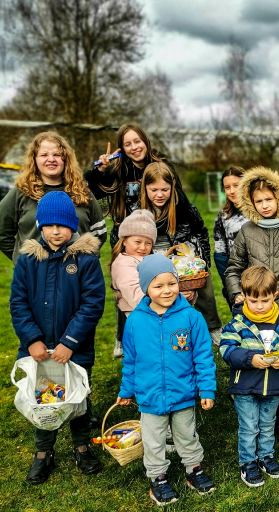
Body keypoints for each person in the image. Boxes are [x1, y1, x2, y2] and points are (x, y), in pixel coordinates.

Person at [9, 191, 106, 484]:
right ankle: (43, 452)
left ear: (71, 226)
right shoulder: (28, 260)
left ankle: (82, 445)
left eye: (62, 226)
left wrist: (69, 343)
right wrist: (32, 340)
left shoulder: (85, 259)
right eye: (49, 225)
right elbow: (19, 303)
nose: (55, 231)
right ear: (40, 225)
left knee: (77, 400)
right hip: (40, 350)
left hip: (73, 350)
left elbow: (92, 304)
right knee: (44, 399)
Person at [85, 123, 197, 355]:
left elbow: (177, 196)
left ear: (145, 141)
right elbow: (90, 189)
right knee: (125, 285)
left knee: (158, 282)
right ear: (121, 148)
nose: (134, 147)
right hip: (127, 236)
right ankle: (122, 336)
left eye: (138, 141)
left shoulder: (160, 164)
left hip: (157, 234)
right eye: (128, 144)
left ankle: (178, 329)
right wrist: (100, 170)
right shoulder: (118, 169)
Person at [116, 254, 217, 505]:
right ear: (146, 288)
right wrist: (127, 390)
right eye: (158, 286)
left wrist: (207, 390)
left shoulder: (191, 317)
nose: (166, 290)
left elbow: (204, 356)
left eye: (171, 283)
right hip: (149, 396)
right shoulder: (135, 321)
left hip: (182, 392)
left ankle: (194, 469)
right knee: (153, 440)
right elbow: (130, 360)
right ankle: (157, 477)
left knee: (187, 434)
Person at [225, 167, 279, 442]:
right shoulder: (246, 232)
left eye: (269, 199)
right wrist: (238, 295)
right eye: (258, 201)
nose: (265, 205)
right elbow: (232, 269)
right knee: (259, 365)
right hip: (255, 313)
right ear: (251, 202)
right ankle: (267, 421)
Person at [219, 266, 279, 487]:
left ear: (274, 296)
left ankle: (266, 457)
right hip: (245, 387)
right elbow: (226, 349)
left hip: (274, 385)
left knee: (268, 424)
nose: (258, 307)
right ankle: (248, 462)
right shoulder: (237, 324)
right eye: (252, 301)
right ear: (244, 297)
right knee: (249, 426)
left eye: (264, 301)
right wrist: (249, 359)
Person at [138, 162, 222, 344]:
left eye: (164, 189)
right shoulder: (138, 212)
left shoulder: (185, 208)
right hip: (155, 258)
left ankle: (213, 325)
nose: (159, 195)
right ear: (145, 188)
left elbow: (201, 232)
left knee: (204, 286)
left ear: (172, 187)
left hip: (183, 256)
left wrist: (203, 262)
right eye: (153, 190)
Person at [0, 131, 107, 263]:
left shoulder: (82, 191)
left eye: (57, 155)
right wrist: (24, 261)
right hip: (34, 278)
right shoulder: (20, 193)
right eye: (44, 155)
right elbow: (1, 235)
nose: (51, 159)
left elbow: (99, 232)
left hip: (75, 275)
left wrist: (83, 260)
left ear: (66, 159)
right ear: (34, 159)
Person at [110, 209, 156, 320]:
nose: (143, 247)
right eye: (137, 242)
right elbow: (135, 294)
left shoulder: (148, 260)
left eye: (148, 243)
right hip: (141, 316)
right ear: (124, 241)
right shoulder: (123, 264)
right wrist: (166, 302)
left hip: (154, 312)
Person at [213, 166, 249, 306]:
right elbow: (220, 256)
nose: (232, 191)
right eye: (227, 187)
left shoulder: (261, 211)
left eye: (236, 185)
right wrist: (232, 287)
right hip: (236, 282)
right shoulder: (223, 217)